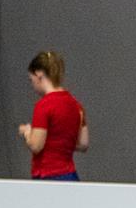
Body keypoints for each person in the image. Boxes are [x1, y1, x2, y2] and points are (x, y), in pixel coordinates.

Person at [19, 50, 88, 182]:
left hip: (48, 175)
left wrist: (28, 132)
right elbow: (83, 143)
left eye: (31, 80)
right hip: (70, 175)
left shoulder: (44, 105)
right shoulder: (77, 106)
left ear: (39, 74)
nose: (32, 85)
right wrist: (60, 142)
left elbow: (36, 146)